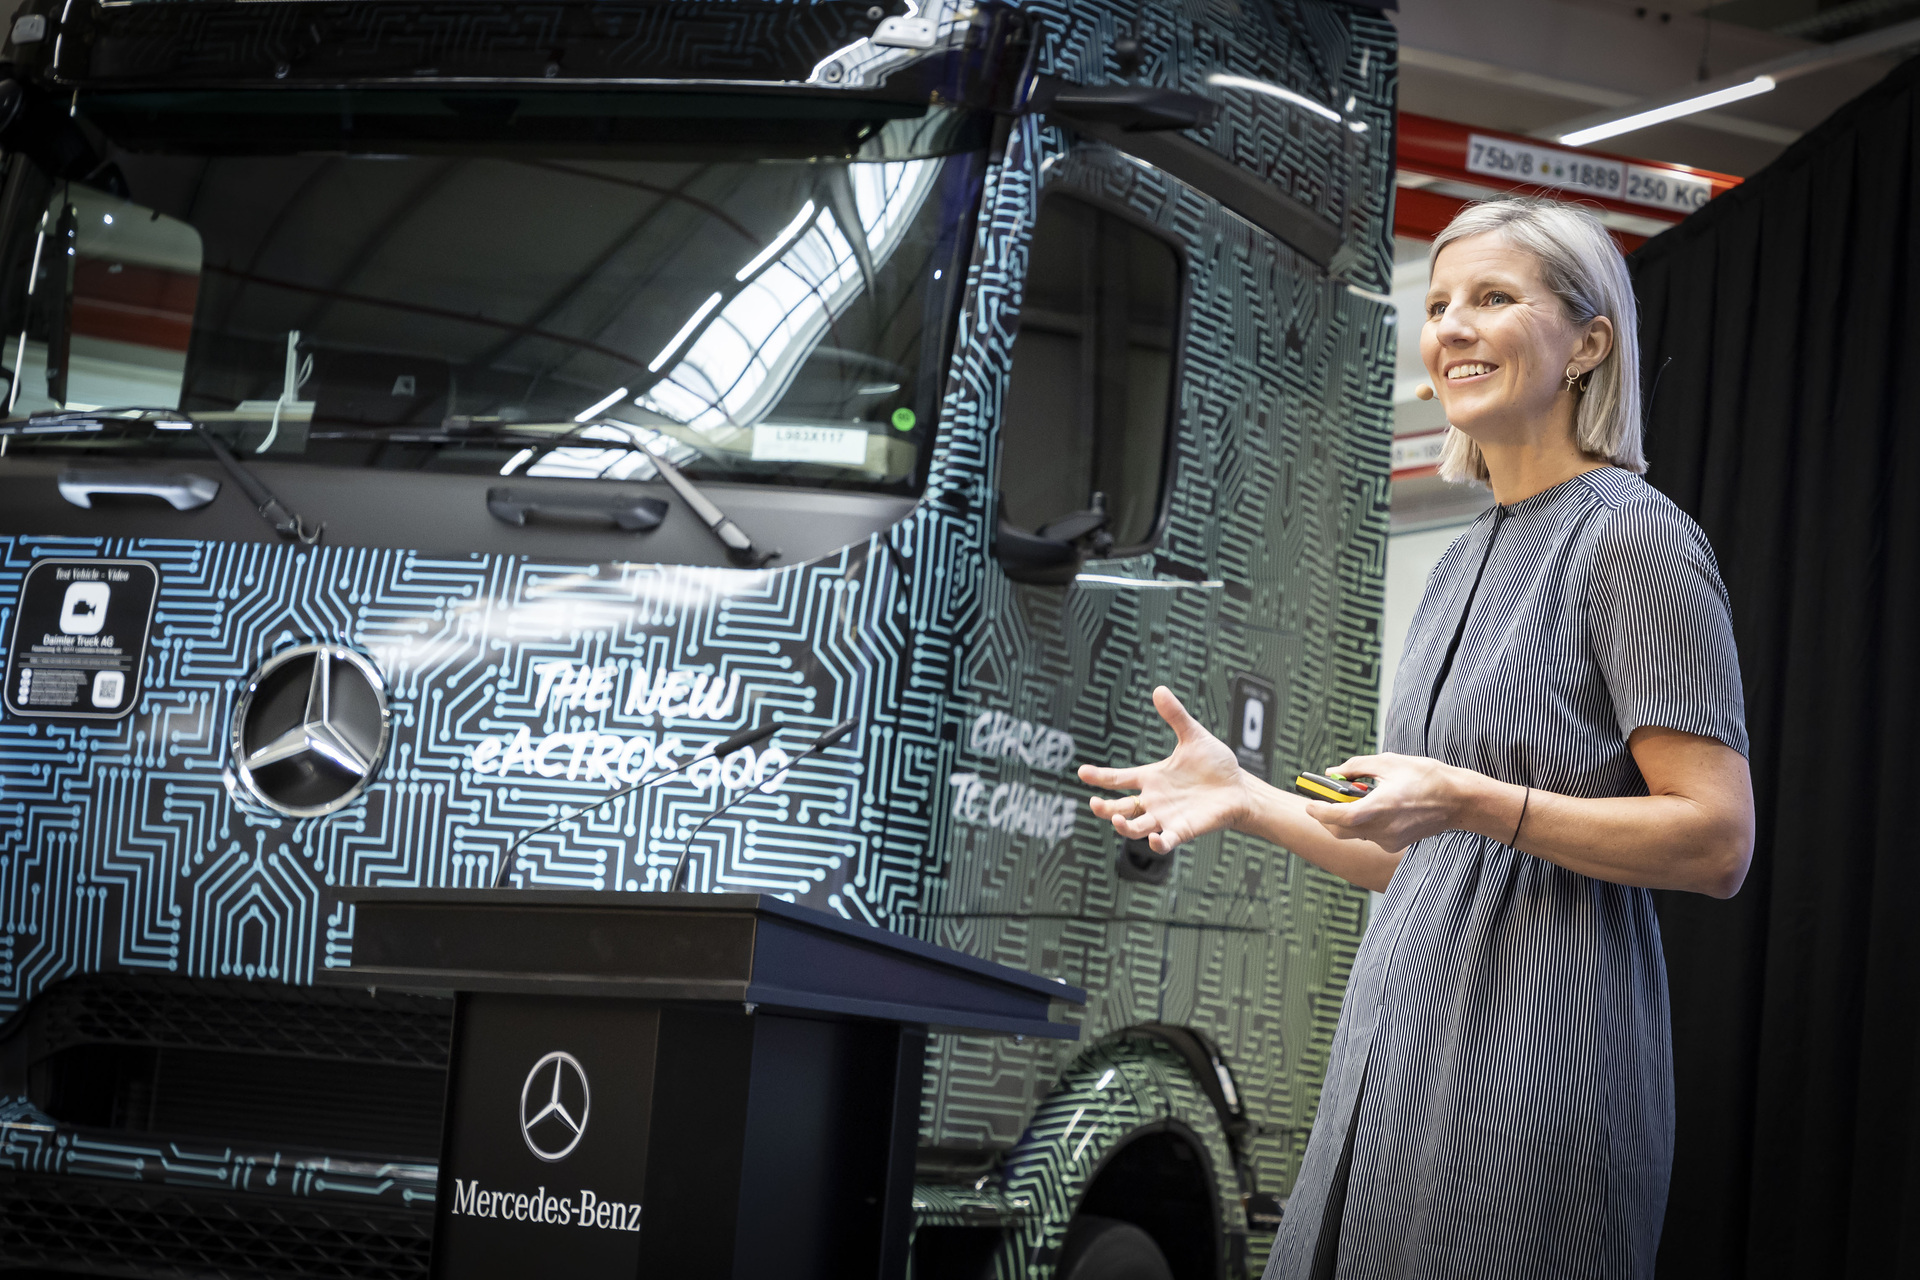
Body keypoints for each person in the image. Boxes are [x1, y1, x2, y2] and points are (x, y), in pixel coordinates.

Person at [1079, 196, 1754, 1279]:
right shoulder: (1459, 560)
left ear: (1589, 343)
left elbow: (1717, 839)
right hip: (1394, 1052)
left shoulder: (1631, 535)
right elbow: (1407, 850)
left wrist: (1468, 798)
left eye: (1493, 297)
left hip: (1538, 1056)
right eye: (1438, 305)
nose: (1451, 327)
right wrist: (1249, 794)